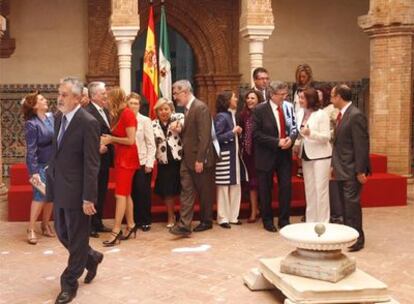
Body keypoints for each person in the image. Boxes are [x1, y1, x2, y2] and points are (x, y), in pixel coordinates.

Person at [46, 77, 103, 304]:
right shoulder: (59, 118)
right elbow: (58, 152)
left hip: (78, 191)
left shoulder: (88, 122)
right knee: (63, 233)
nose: (60, 98)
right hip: (59, 186)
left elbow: (92, 163)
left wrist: (88, 196)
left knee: (77, 238)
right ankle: (92, 257)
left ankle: (69, 283)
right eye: (59, 93)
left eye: (65, 95)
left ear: (78, 98)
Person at [169, 80, 217, 236]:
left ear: (185, 91)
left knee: (205, 192)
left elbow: (205, 137)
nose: (175, 97)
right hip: (187, 158)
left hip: (199, 159)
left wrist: (200, 160)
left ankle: (206, 221)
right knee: (187, 191)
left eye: (176, 93)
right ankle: (184, 225)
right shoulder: (188, 109)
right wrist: (180, 130)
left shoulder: (200, 108)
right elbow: (191, 135)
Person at [253, 81, 297, 232]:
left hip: (284, 154)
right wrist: (277, 142)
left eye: (286, 94)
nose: (285, 97)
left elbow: (294, 127)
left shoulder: (289, 107)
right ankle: (268, 220)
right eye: (282, 95)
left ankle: (284, 220)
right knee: (265, 189)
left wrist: (291, 139)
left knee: (286, 187)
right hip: (266, 154)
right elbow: (256, 134)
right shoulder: (259, 110)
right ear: (272, 95)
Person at [331, 84, 370, 252]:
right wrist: (334, 166)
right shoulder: (343, 115)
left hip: (352, 170)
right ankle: (349, 235)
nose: (331, 99)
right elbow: (340, 145)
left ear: (339, 96)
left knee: (351, 205)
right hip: (341, 168)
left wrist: (361, 170)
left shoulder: (355, 115)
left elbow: (361, 145)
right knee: (345, 206)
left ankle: (357, 239)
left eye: (332, 96)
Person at [101, 87, 140, 246]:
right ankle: (131, 225)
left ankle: (116, 231)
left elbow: (131, 141)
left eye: (108, 99)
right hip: (121, 157)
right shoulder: (119, 114)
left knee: (120, 195)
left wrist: (111, 139)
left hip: (127, 158)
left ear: (115, 99)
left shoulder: (128, 114)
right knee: (126, 194)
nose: (106, 102)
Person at [22, 91, 55, 245]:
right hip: (40, 165)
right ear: (35, 106)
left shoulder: (51, 118)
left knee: (52, 196)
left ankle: (45, 223)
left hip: (54, 163)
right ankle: (31, 228)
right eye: (41, 99)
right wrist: (34, 171)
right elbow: (31, 149)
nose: (45, 100)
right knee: (40, 196)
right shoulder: (31, 123)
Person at [294, 88, 332, 223]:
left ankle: (323, 222)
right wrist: (297, 142)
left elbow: (326, 137)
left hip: (321, 155)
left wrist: (311, 133)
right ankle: (311, 221)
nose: (300, 100)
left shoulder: (321, 114)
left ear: (310, 99)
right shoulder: (299, 113)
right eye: (299, 98)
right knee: (309, 189)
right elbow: (299, 132)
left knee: (320, 190)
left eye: (302, 98)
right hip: (306, 154)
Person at [214, 91, 248, 228]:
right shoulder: (222, 117)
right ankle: (223, 218)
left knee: (235, 185)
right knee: (223, 187)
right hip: (225, 157)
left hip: (234, 156)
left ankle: (233, 216)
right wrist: (232, 132)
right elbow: (215, 137)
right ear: (227, 101)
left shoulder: (233, 115)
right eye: (234, 97)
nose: (236, 99)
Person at [85, 81, 113, 237]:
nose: (105, 95)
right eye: (103, 93)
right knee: (92, 192)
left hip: (105, 160)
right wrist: (96, 147)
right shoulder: (87, 112)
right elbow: (84, 136)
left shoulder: (105, 111)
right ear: (94, 95)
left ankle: (98, 222)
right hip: (93, 160)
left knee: (102, 191)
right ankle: (89, 226)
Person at [152, 98, 184, 228]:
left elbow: (183, 125)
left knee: (183, 189)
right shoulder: (153, 124)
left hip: (180, 160)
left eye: (166, 109)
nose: (164, 112)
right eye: (160, 109)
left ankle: (184, 217)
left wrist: (178, 127)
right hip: (164, 162)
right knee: (168, 191)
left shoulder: (178, 117)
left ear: (171, 109)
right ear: (157, 112)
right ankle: (171, 216)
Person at [127, 93, 156, 232]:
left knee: (142, 192)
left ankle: (144, 220)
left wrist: (149, 163)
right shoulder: (123, 119)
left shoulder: (145, 120)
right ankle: (132, 220)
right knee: (130, 192)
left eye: (136, 103)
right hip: (127, 163)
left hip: (142, 161)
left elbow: (151, 144)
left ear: (140, 106)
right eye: (131, 103)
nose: (133, 105)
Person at [317, 85, 342, 224]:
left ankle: (337, 213)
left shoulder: (332, 110)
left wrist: (329, 134)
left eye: (321, 96)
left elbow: (337, 129)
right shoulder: (313, 112)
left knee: (332, 181)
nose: (318, 99)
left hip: (332, 148)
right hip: (321, 150)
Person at [239, 90, 261, 223]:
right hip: (248, 154)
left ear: (258, 99)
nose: (250, 100)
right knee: (252, 184)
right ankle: (253, 211)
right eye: (248, 98)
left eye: (253, 98)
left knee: (261, 183)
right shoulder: (243, 115)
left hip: (261, 153)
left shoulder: (263, 114)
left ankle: (260, 208)